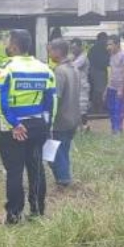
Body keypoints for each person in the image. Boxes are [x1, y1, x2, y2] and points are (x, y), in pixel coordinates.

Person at [0, 29, 56, 224]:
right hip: (38, 126)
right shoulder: (45, 69)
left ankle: (14, 215)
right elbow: (52, 101)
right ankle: (37, 210)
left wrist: (15, 124)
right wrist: (47, 125)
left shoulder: (6, 69)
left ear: (13, 46)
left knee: (14, 172)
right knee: (36, 169)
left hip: (13, 128)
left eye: (8, 42)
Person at [48, 39, 81, 187]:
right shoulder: (74, 68)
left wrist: (49, 116)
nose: (49, 54)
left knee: (55, 152)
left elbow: (56, 97)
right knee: (64, 149)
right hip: (73, 117)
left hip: (61, 119)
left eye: (50, 51)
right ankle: (64, 177)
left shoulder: (59, 71)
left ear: (58, 51)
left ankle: (63, 180)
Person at [106, 35, 124, 134]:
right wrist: (106, 88)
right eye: (108, 45)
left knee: (118, 109)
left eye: (110, 44)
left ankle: (118, 130)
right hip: (111, 86)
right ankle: (113, 129)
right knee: (111, 109)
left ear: (117, 44)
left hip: (120, 87)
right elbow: (111, 72)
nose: (108, 47)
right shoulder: (111, 56)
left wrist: (121, 88)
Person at [71, 39, 91, 132]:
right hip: (75, 86)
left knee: (82, 107)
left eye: (75, 48)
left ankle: (84, 126)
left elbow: (72, 66)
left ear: (80, 47)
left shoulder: (83, 57)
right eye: (72, 48)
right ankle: (79, 127)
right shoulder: (73, 57)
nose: (73, 50)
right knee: (75, 107)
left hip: (82, 86)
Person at [88, 32, 109, 113]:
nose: (106, 41)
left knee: (97, 90)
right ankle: (98, 108)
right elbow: (104, 61)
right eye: (105, 39)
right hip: (98, 71)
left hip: (96, 71)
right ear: (101, 39)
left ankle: (97, 107)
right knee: (99, 90)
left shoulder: (94, 49)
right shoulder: (99, 49)